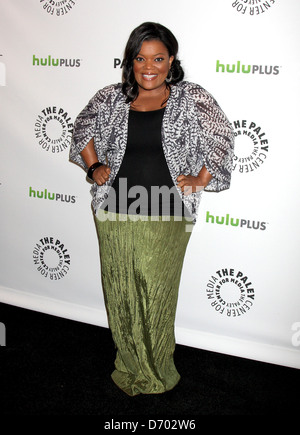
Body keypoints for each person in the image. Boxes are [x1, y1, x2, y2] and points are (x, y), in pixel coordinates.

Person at [69, 22, 234, 396]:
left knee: (156, 294)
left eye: (158, 58)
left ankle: (158, 371)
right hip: (113, 211)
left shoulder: (191, 97)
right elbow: (81, 130)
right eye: (140, 58)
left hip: (167, 212)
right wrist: (94, 167)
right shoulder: (111, 97)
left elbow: (221, 134)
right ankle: (128, 365)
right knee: (120, 292)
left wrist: (202, 177)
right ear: (130, 61)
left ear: (171, 60)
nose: (149, 66)